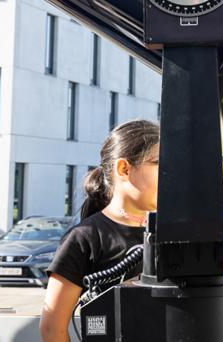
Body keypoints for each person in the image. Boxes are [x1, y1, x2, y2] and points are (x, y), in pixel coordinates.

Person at [39, 119, 160, 342]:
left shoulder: (173, 232)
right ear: (124, 168)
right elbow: (52, 329)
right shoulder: (84, 238)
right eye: (159, 163)